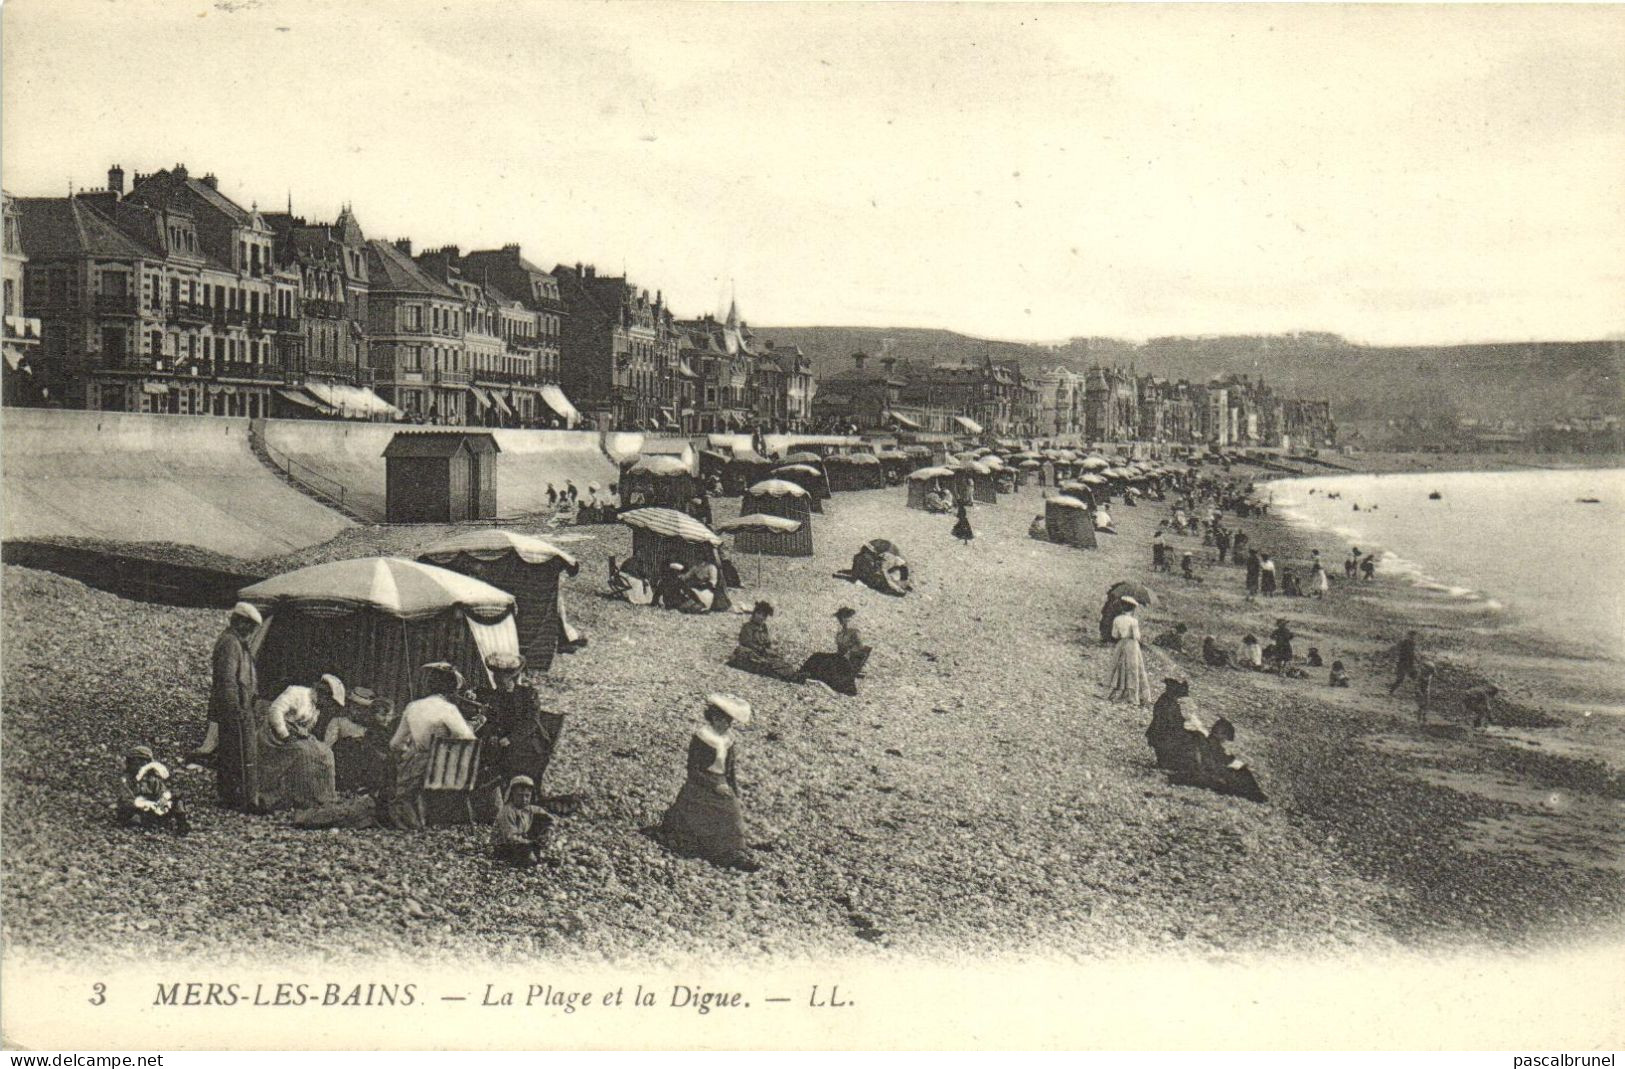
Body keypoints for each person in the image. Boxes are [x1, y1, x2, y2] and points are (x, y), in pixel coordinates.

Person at [660, 694, 759, 871]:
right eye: (723, 720)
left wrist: (734, 789)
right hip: (700, 785)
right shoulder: (702, 737)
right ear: (714, 718)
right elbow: (693, 770)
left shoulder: (729, 740)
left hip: (721, 783)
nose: (727, 725)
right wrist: (714, 785)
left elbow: (731, 770)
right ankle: (726, 854)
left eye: (729, 721)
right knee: (721, 815)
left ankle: (737, 848)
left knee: (733, 809)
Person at [389, 663, 477, 829]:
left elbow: (395, 743)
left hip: (416, 770)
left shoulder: (412, 707)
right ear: (451, 689)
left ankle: (411, 816)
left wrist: (407, 750)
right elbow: (468, 738)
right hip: (447, 772)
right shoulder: (449, 709)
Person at [475, 652, 567, 793]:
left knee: (516, 761)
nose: (497, 680)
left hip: (527, 740)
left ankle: (522, 794)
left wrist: (510, 739)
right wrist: (493, 733)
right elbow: (492, 719)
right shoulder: (494, 695)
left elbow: (531, 722)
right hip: (502, 740)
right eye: (495, 676)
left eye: (502, 677)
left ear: (511, 677)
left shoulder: (527, 694)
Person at [203, 602, 261, 808]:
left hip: (241, 705)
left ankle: (233, 795)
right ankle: (240, 798)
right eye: (250, 625)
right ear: (240, 622)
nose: (252, 631)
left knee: (234, 752)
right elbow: (227, 679)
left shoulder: (237, 643)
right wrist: (233, 707)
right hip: (235, 707)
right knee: (238, 752)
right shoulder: (230, 643)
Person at [323, 686, 397, 797]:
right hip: (345, 766)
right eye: (356, 707)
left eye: (364, 708)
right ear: (350, 706)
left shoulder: (374, 725)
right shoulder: (339, 721)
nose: (359, 711)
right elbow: (327, 747)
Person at [114, 746, 191, 835]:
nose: (140, 765)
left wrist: (164, 801)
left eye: (144, 762)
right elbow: (126, 800)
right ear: (130, 762)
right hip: (135, 810)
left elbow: (162, 793)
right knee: (133, 815)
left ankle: (182, 824)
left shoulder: (153, 780)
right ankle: (140, 825)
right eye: (136, 762)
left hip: (151, 811)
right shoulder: (126, 780)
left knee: (176, 800)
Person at [1195, 718, 1268, 803]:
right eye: (1225, 738)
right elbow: (1215, 766)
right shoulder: (1213, 745)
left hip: (1210, 774)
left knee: (1241, 774)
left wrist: (1229, 759)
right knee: (1244, 774)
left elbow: (1219, 759)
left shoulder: (1210, 742)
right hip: (1212, 777)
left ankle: (1255, 795)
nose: (1225, 741)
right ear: (1222, 734)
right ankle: (1256, 797)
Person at [1145, 678, 1207, 776]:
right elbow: (1172, 725)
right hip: (1166, 738)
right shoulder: (1169, 704)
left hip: (1165, 736)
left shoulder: (1168, 701)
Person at [491, 775, 554, 868]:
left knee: (540, 819)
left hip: (523, 841)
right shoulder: (507, 811)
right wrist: (531, 843)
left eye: (527, 796)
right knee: (528, 858)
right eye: (520, 795)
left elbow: (549, 819)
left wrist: (548, 832)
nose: (524, 799)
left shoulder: (530, 809)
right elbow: (510, 838)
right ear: (512, 794)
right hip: (504, 846)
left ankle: (536, 855)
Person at [1104, 597, 1153, 706]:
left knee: (1119, 666)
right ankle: (1133, 697)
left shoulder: (1117, 619)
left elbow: (1114, 635)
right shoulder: (1134, 621)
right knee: (1134, 669)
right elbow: (1137, 636)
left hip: (1121, 644)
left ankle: (1117, 692)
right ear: (1133, 608)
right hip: (1132, 646)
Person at [728, 601, 795, 679]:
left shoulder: (763, 627)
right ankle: (789, 676)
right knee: (765, 664)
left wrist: (771, 649)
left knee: (778, 660)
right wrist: (763, 650)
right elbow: (747, 643)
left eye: (764, 615)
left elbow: (767, 642)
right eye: (759, 613)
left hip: (761, 653)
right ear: (754, 613)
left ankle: (792, 674)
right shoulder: (747, 627)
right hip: (749, 654)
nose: (761, 617)